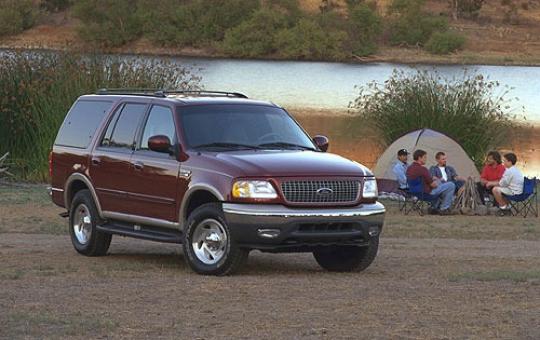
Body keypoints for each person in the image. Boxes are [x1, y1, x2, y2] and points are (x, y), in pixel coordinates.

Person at [406, 149, 455, 215]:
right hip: (426, 193)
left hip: (413, 191)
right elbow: (432, 185)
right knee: (451, 185)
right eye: (425, 157)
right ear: (419, 158)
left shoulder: (409, 168)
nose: (426, 159)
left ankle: (434, 208)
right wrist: (438, 184)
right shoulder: (423, 169)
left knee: (440, 184)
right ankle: (444, 208)